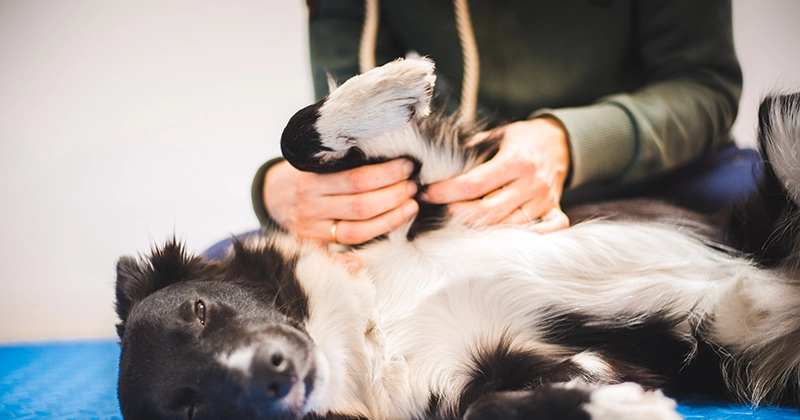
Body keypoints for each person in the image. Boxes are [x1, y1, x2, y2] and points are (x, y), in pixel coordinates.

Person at [247, 0, 748, 248]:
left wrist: (568, 143)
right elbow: (351, 110)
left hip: (660, 175)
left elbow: (704, 84)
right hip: (457, 198)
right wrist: (279, 190)